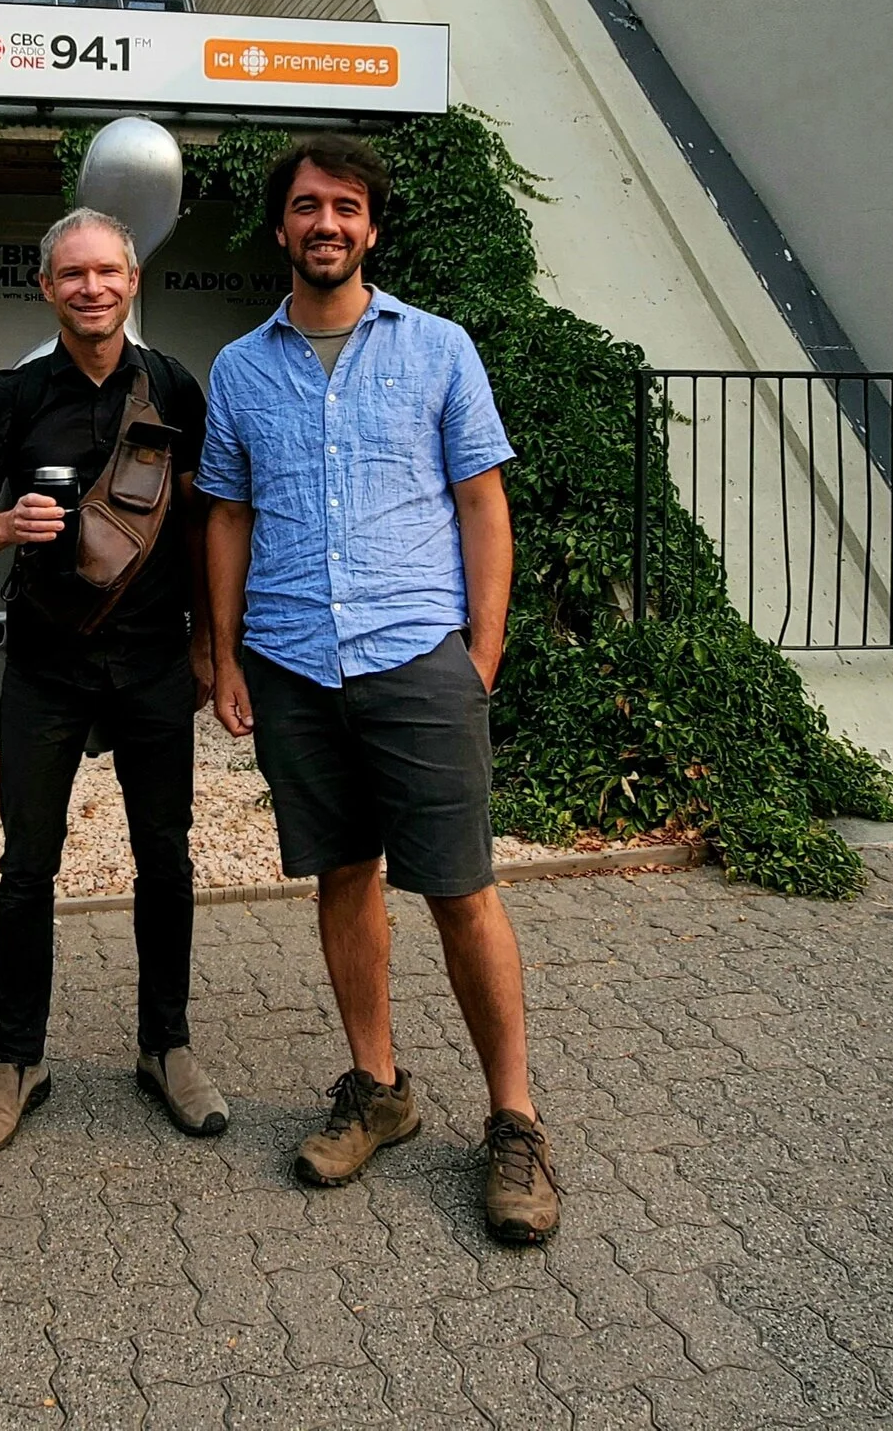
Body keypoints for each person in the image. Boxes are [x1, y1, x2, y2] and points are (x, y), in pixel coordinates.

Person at [200, 137, 560, 1245]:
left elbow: (482, 502)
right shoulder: (237, 369)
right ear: (279, 230)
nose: (325, 224)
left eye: (344, 208)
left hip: (415, 656)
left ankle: (514, 1123)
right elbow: (227, 514)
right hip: (295, 662)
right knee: (343, 876)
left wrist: (481, 655)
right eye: (305, 207)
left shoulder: (438, 348)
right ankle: (380, 1089)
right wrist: (221, 655)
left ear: (370, 229)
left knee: (458, 890)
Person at [0, 206, 223, 1154]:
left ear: (133, 282)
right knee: (27, 868)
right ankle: (18, 1061)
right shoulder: (13, 395)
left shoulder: (178, 388)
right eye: (73, 275)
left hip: (149, 662)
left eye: (107, 272)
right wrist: (3, 528)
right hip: (46, 666)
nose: (91, 288)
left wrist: (211, 648)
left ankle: (166, 1048)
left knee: (167, 859)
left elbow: (202, 527)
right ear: (47, 288)